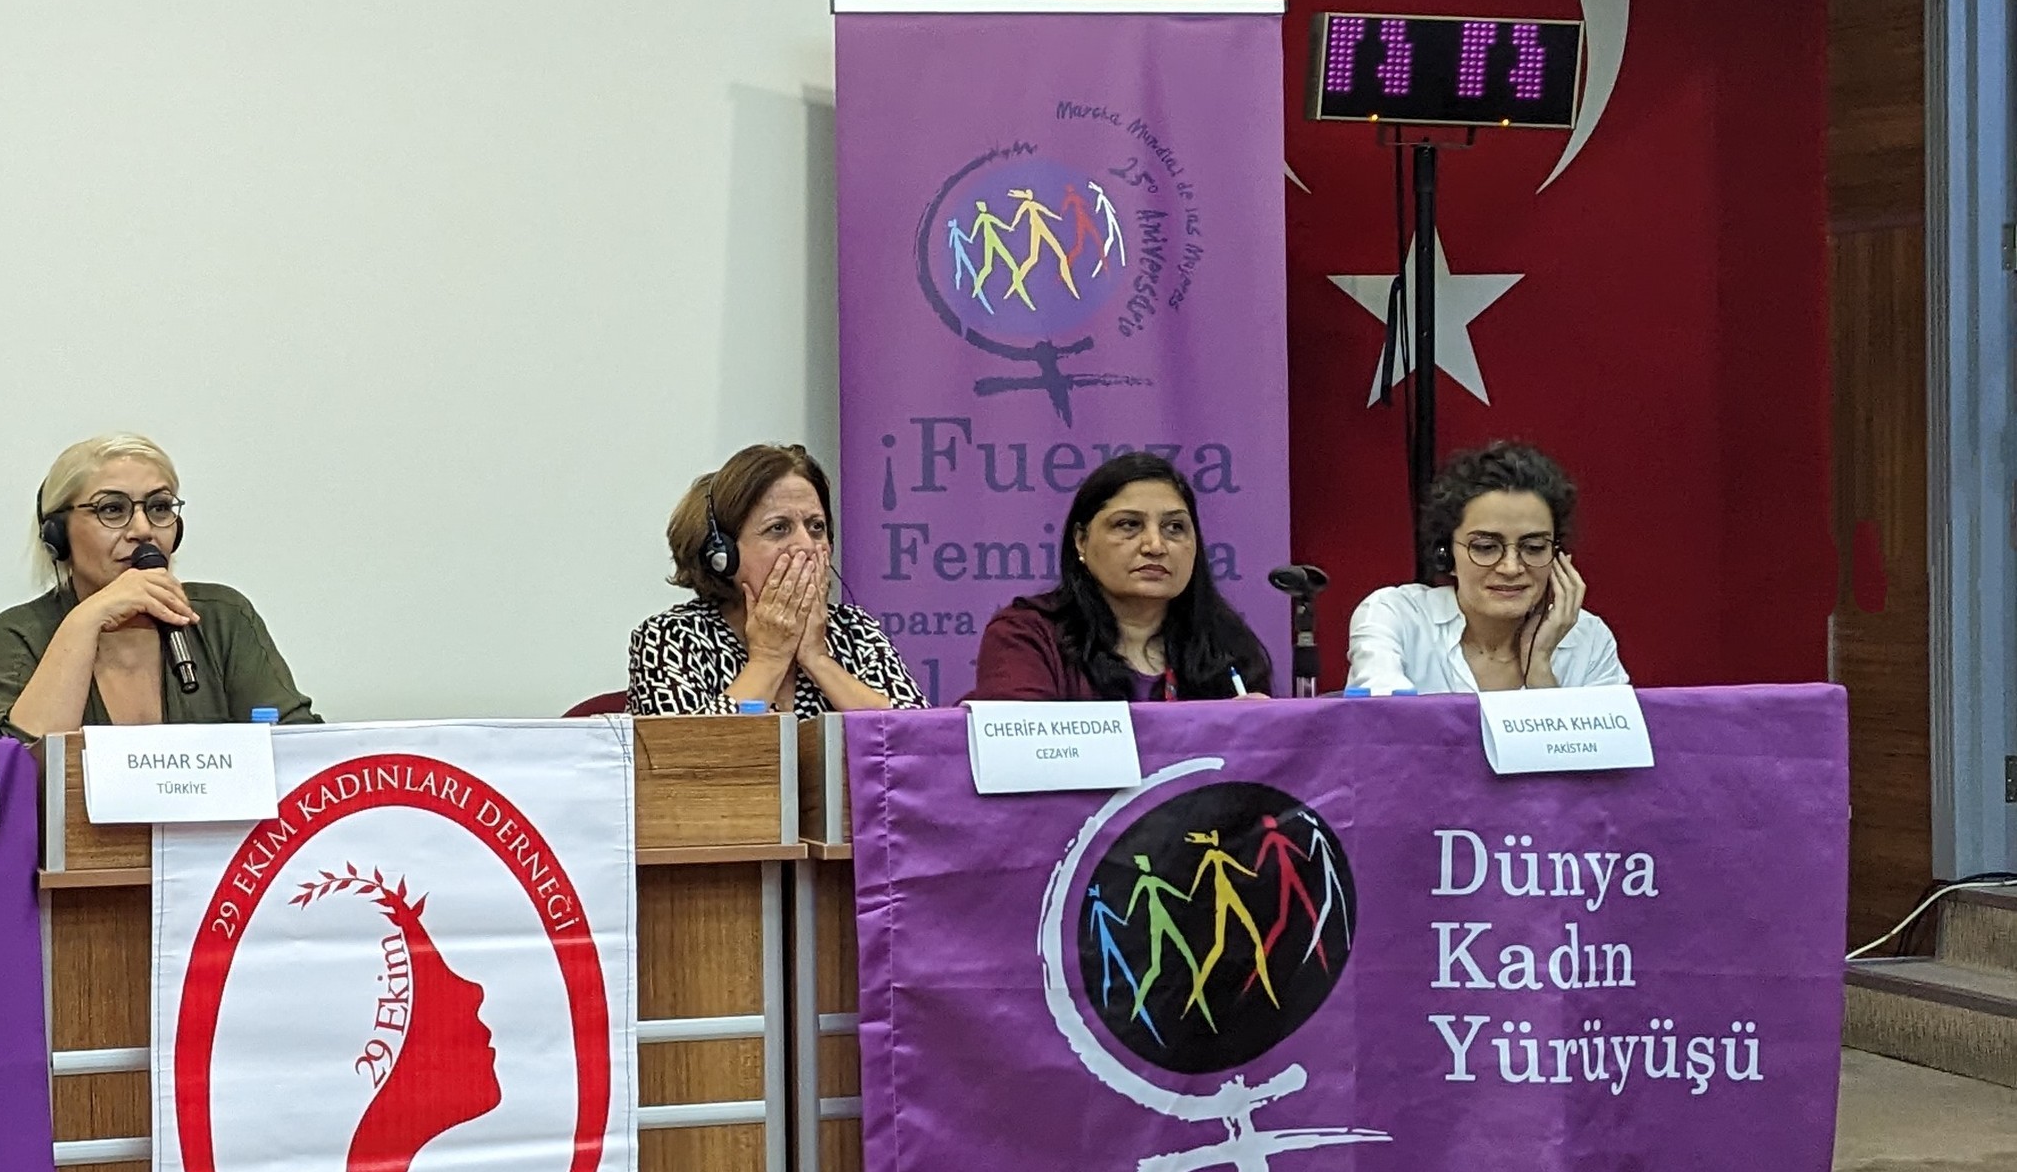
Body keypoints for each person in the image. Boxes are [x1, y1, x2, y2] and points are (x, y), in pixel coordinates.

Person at [0, 433, 316, 737]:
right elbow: (16, 771)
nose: (143, 530)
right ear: (57, 534)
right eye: (112, 509)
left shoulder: (223, 618)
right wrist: (86, 620)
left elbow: (302, 749)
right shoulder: (21, 632)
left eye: (159, 507)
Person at [627, 443, 921, 715]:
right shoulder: (671, 637)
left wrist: (819, 660)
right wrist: (768, 658)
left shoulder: (854, 629)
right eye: (779, 528)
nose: (807, 545)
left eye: (816, 527)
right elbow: (689, 752)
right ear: (722, 555)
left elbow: (918, 741)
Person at [970, 453, 1273, 702]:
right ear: (1081, 541)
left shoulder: (1226, 647)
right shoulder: (1028, 635)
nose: (1155, 546)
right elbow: (1023, 750)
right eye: (1129, 525)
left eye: (1175, 528)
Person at [1343, 440, 1627, 695]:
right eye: (1486, 547)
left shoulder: (1589, 639)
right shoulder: (1395, 616)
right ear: (1445, 554)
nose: (1511, 568)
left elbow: (1610, 740)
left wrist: (1541, 670)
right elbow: (1385, 723)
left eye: (1533, 547)